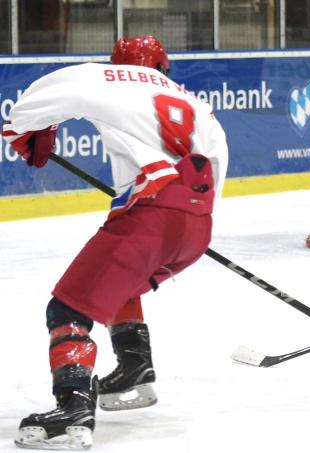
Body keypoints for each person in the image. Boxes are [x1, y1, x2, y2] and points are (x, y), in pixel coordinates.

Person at [3, 35, 229, 449]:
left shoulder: (107, 77)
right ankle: (134, 366)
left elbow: (38, 98)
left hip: (150, 218)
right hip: (197, 223)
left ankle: (72, 405)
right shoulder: (197, 104)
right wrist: (184, 220)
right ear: (162, 67)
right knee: (118, 286)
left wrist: (30, 129)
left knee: (68, 309)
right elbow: (215, 168)